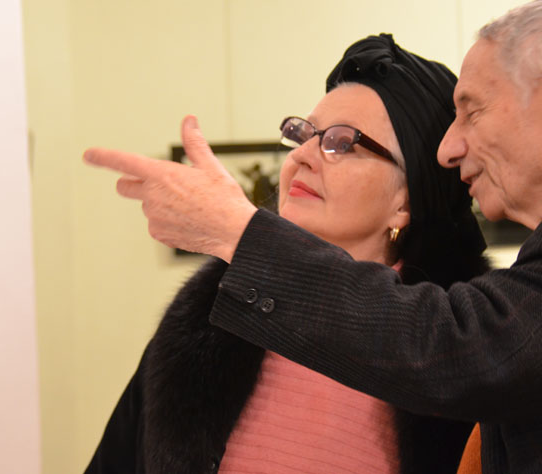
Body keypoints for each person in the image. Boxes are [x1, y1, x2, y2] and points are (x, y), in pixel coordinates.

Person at [84, 0, 542, 472]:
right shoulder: (207, 321)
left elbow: (450, 348)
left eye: (472, 110)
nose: (451, 146)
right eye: (303, 133)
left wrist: (240, 233)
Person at [84, 34, 490, 474]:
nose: (303, 156)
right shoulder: (205, 316)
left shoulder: (455, 345)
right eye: (303, 134)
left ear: (406, 201)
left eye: (342, 142)